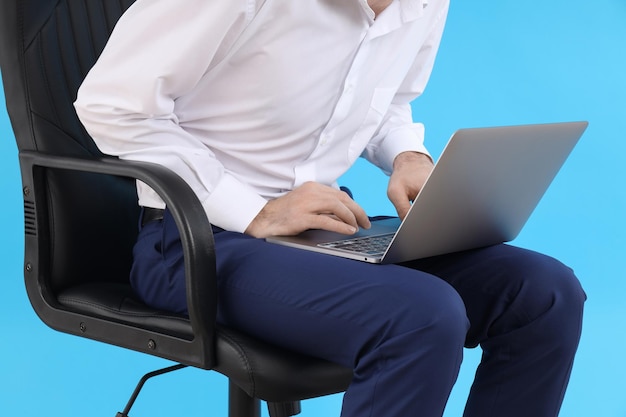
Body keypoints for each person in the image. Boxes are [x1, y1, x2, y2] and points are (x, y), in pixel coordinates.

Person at [74, 1, 586, 416]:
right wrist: (256, 211)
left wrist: (408, 156)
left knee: (544, 294)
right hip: (192, 243)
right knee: (420, 316)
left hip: (320, 236)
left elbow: (384, 102)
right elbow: (111, 104)